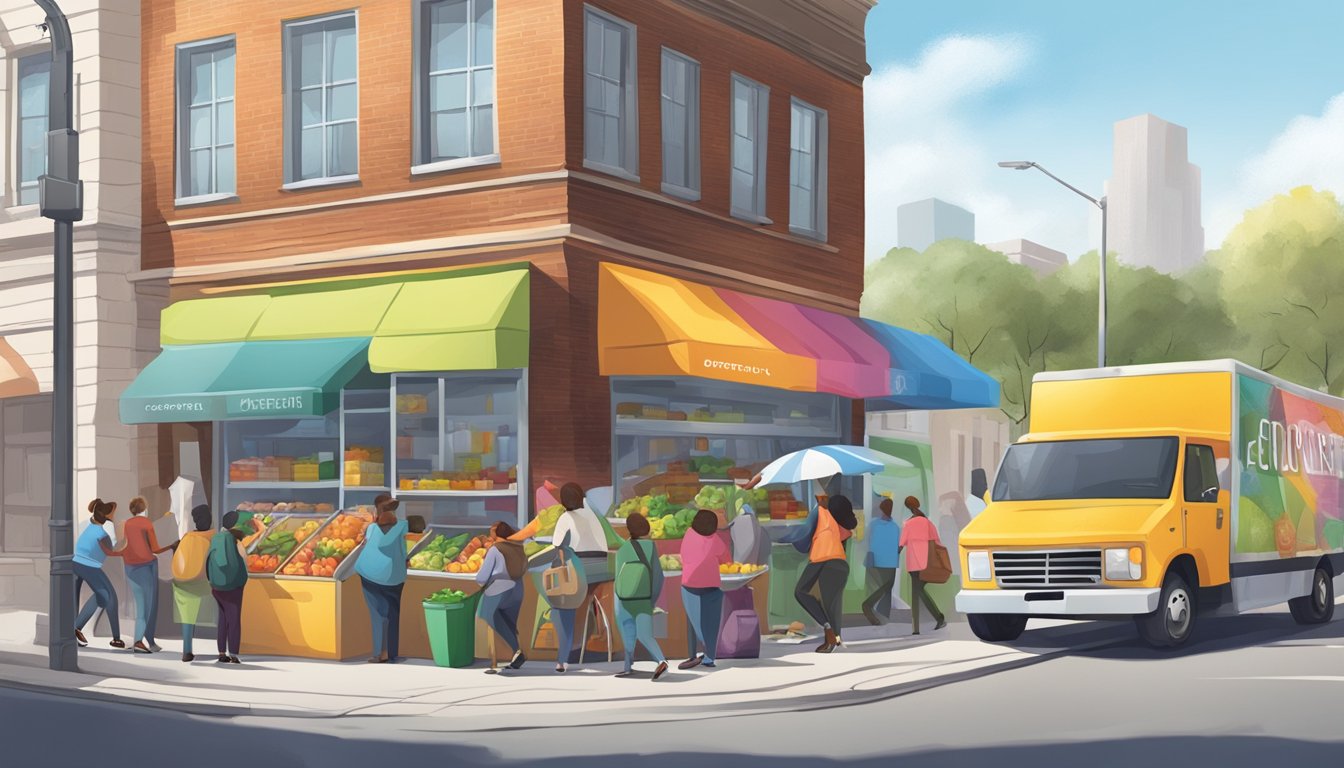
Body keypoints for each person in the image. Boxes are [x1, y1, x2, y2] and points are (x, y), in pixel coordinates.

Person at [549, 482, 614, 673]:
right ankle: (580, 645)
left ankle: (565, 656)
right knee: (581, 602)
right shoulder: (591, 514)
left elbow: (558, 547)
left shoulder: (565, 518)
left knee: (561, 608)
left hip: (581, 568)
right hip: (601, 568)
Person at [794, 494, 858, 653]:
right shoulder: (839, 525)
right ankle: (835, 639)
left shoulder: (820, 512)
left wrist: (787, 539)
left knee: (800, 592)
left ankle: (828, 631)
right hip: (840, 564)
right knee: (832, 605)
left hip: (822, 559)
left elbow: (803, 533)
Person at [613, 513, 668, 680]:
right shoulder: (651, 547)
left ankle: (627, 666)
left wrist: (618, 604)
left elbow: (618, 579)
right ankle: (661, 661)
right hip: (643, 598)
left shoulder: (622, 550)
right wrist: (652, 600)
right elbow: (658, 577)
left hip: (623, 599)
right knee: (645, 635)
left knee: (627, 631)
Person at [354, 494, 408, 664]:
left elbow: (367, 544)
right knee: (393, 613)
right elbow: (404, 550)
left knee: (378, 614)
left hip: (371, 573)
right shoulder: (403, 526)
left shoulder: (371, 529)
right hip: (395, 575)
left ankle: (380, 653)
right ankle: (391, 652)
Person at [122, 496, 177, 654]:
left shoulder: (127, 524)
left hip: (130, 568)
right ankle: (145, 641)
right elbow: (155, 549)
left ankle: (141, 640)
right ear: (144, 509)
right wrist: (172, 546)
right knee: (149, 606)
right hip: (146, 567)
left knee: (140, 605)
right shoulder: (146, 523)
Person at [678, 509, 730, 670]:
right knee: (712, 623)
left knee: (694, 623)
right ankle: (709, 657)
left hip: (690, 585)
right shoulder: (716, 540)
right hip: (713, 586)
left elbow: (684, 557)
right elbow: (727, 560)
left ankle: (693, 654)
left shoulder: (688, 535)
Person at [476, 521, 529, 672]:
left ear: (496, 535)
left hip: (499, 589)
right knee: (509, 622)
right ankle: (516, 655)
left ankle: (514, 653)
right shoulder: (519, 548)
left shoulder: (495, 550)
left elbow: (481, 578)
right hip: (518, 589)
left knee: (488, 614)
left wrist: (482, 583)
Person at [73, 499, 125, 649]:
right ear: (108, 516)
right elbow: (111, 551)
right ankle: (116, 638)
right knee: (110, 597)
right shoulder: (103, 533)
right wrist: (124, 543)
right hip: (89, 566)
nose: (115, 516)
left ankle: (75, 629)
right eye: (113, 514)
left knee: (97, 597)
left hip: (75, 563)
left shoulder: (89, 526)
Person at [208, 509, 256, 663]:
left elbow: (208, 559)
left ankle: (222, 652)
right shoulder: (235, 541)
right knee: (234, 619)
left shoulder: (215, 538)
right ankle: (233, 653)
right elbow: (243, 560)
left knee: (223, 619)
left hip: (217, 586)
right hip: (233, 586)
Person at [172, 504, 216, 662]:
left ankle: (187, 650)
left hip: (183, 583)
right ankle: (223, 648)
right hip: (203, 583)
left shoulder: (187, 537)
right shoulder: (213, 536)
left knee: (187, 618)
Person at [899, 496, 947, 635]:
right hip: (927, 563)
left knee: (916, 594)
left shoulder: (908, 524)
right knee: (919, 591)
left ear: (908, 507)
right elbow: (937, 542)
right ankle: (937, 618)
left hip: (914, 564)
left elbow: (901, 544)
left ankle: (918, 627)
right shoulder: (927, 522)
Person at [862, 497, 902, 625]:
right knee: (887, 588)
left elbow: (867, 540)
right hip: (890, 562)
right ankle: (883, 614)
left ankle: (873, 609)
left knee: (875, 586)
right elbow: (899, 546)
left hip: (875, 560)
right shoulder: (896, 527)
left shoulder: (873, 524)